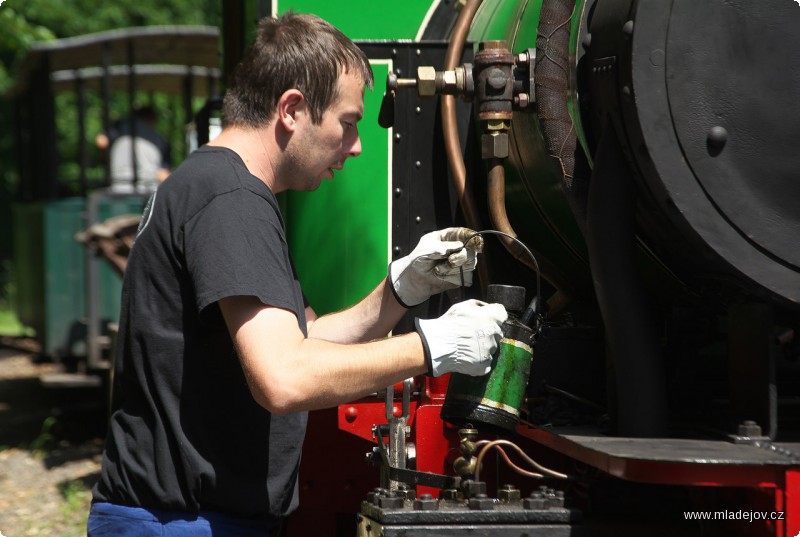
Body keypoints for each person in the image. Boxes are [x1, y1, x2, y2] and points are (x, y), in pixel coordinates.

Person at [87, 12, 507, 537]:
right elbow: (284, 377)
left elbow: (303, 340)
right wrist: (432, 347)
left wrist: (400, 290)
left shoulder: (219, 185)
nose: (355, 145)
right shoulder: (231, 199)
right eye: (347, 122)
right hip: (184, 523)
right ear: (292, 109)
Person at [95, 105, 171, 193]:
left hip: (117, 189)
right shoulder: (159, 139)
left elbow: (101, 141)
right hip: (147, 192)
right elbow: (164, 174)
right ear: (152, 119)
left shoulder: (122, 126)